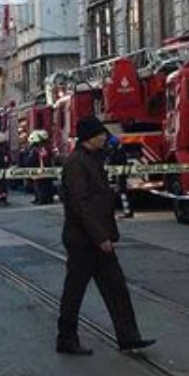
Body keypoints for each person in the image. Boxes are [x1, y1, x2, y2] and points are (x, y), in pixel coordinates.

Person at [56, 116, 155, 356]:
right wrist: (101, 236)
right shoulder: (77, 163)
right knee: (75, 291)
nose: (105, 137)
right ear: (91, 136)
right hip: (83, 240)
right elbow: (82, 205)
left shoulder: (92, 159)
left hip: (97, 238)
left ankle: (129, 337)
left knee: (117, 288)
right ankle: (66, 338)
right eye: (101, 134)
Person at [105, 134, 134, 218]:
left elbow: (112, 161)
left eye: (111, 146)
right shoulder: (119, 151)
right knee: (121, 193)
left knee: (123, 193)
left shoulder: (118, 153)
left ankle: (127, 211)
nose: (110, 147)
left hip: (120, 176)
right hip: (117, 176)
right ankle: (126, 211)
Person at [28, 130, 54, 205]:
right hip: (47, 170)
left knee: (39, 185)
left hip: (39, 170)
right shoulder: (46, 148)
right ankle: (47, 198)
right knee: (46, 184)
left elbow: (32, 160)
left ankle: (40, 199)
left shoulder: (37, 149)